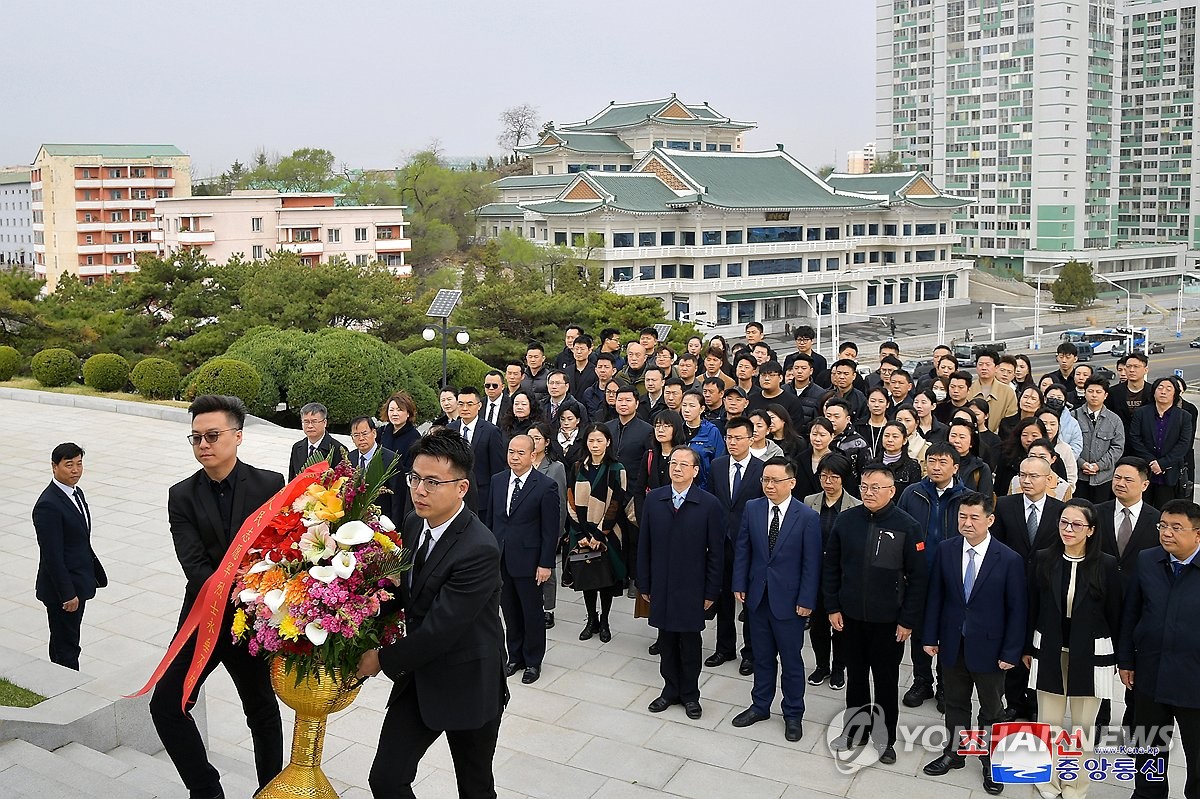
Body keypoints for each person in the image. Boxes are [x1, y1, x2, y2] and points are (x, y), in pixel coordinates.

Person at [356, 429, 506, 799]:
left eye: (432, 482)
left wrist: (379, 659)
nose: (419, 490)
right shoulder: (412, 522)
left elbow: (441, 630)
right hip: (420, 678)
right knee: (386, 779)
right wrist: (355, 620)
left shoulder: (479, 549)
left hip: (469, 681)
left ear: (461, 488)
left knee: (474, 786)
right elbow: (405, 594)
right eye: (415, 478)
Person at [151, 395, 284, 798]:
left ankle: (270, 790)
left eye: (212, 435)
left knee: (262, 711)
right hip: (202, 619)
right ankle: (207, 789)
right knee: (166, 705)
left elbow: (279, 550)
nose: (203, 445)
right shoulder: (182, 495)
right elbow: (194, 565)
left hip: (251, 622)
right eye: (195, 438)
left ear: (238, 436)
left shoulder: (270, 484)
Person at [921, 491, 1024, 797]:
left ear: (990, 520)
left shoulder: (1008, 559)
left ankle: (991, 760)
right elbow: (935, 596)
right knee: (954, 702)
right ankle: (955, 752)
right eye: (962, 517)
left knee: (992, 709)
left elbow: (1017, 611)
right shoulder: (946, 549)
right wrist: (930, 637)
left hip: (991, 649)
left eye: (974, 518)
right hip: (953, 642)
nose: (966, 523)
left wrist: (1011, 651)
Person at [824, 465, 928, 764]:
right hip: (850, 618)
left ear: (892, 490)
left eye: (876, 487)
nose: (869, 493)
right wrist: (832, 606)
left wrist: (907, 620)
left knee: (885, 681)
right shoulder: (847, 520)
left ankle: (885, 738)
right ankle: (855, 730)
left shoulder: (908, 526)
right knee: (856, 678)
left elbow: (919, 577)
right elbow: (831, 567)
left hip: (888, 623)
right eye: (865, 486)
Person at [1025, 499, 1121, 799]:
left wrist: (1119, 657)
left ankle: (1076, 785)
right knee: (1048, 721)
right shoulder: (1043, 558)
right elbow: (1031, 606)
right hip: (1050, 648)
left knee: (1082, 726)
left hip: (1091, 653)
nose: (1068, 529)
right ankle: (1047, 779)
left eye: (1076, 524)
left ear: (1091, 530)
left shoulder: (1106, 564)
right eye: (1064, 522)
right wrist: (1027, 646)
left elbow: (1116, 613)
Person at [732, 456, 822, 742]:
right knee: (762, 656)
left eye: (775, 481)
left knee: (792, 661)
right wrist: (739, 584)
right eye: (765, 480)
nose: (769, 486)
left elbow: (811, 564)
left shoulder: (806, 516)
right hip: (757, 597)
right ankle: (760, 705)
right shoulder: (753, 508)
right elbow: (743, 549)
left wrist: (807, 600)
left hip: (790, 602)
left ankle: (793, 713)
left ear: (791, 483)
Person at [1118, 499, 1200, 799]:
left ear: (1198, 534)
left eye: (1176, 527)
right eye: (1163, 525)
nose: (1166, 533)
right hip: (1150, 674)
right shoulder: (1147, 560)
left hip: (1194, 681)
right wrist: (1125, 660)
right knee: (1149, 747)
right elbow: (1131, 613)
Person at [639, 448, 724, 721]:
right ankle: (669, 690)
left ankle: (690, 695)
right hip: (661, 584)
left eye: (683, 465)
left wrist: (712, 590)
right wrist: (645, 583)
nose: (677, 468)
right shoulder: (654, 500)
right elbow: (645, 546)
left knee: (689, 643)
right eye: (673, 463)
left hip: (692, 586)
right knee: (665, 640)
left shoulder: (709, 504)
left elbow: (717, 553)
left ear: (695, 471)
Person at [989, 455, 1066, 721]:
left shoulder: (1059, 511)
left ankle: (1034, 702)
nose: (1027, 481)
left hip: (1045, 589)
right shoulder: (1006, 506)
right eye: (1023, 475)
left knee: (1038, 646)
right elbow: (995, 547)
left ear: (1049, 479)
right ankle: (1013, 701)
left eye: (1034, 476)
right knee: (1013, 642)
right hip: (1011, 586)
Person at [898, 443, 968, 711]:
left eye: (942, 462)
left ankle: (945, 686)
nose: (935, 467)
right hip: (919, 573)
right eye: (931, 461)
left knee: (948, 631)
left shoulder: (966, 497)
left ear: (955, 467)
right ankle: (921, 681)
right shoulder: (912, 493)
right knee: (918, 629)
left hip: (953, 575)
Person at [1093, 457, 1161, 734]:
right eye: (1117, 477)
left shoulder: (1157, 521)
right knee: (1099, 667)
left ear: (1144, 484)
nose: (1120, 483)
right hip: (1100, 602)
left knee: (1135, 668)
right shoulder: (1097, 513)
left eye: (1128, 479)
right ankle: (1099, 720)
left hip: (1140, 606)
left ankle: (1133, 722)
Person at [486, 435, 560, 685]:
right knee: (509, 610)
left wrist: (546, 563)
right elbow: (491, 521)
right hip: (501, 558)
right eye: (511, 452)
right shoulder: (498, 481)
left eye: (520, 453)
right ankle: (514, 655)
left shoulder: (545, 486)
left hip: (530, 560)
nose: (514, 457)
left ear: (532, 455)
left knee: (532, 613)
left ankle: (533, 661)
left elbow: (550, 531)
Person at [34, 442, 106, 670]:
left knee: (67, 639)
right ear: (54, 467)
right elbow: (52, 556)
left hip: (79, 580)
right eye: (69, 465)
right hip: (62, 591)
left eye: (79, 464)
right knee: (66, 646)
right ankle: (69, 688)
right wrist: (67, 594)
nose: (76, 470)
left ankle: (59, 680)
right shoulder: (48, 505)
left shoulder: (76, 493)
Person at [708, 417, 764, 675]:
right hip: (721, 542)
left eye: (738, 438)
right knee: (723, 598)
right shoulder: (718, 466)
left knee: (749, 600)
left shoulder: (762, 469)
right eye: (729, 437)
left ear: (751, 439)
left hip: (750, 545)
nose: (732, 442)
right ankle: (724, 647)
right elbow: (712, 502)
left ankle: (750, 652)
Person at [567, 424, 634, 643]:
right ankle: (591, 619)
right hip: (582, 531)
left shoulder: (616, 468)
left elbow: (617, 502)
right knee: (587, 576)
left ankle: (604, 620)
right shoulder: (578, 467)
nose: (595, 445)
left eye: (599, 440)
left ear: (608, 442)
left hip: (608, 532)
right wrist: (582, 533)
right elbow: (570, 499)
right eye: (591, 441)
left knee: (605, 577)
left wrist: (599, 534)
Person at [803, 453, 859, 691]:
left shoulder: (855, 506)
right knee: (817, 626)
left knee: (841, 626)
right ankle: (822, 665)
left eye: (834, 477)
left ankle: (839, 668)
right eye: (824, 476)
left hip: (842, 575)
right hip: (815, 573)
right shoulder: (809, 501)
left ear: (843, 479)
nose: (828, 481)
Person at [606, 386, 653, 591]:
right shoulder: (607, 427)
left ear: (636, 403)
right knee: (613, 535)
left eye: (627, 400)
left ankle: (636, 578)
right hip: (611, 490)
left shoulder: (646, 430)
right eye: (619, 400)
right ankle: (617, 576)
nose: (623, 404)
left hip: (635, 491)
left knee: (635, 537)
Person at [1129, 376, 1195, 510]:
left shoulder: (1184, 416)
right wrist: (1151, 462)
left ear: (1175, 394)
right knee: (1142, 510)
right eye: (1160, 388)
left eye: (1168, 389)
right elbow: (1135, 438)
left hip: (1169, 474)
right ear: (1153, 392)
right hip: (1144, 470)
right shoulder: (1141, 413)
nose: (1163, 391)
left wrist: (1163, 464)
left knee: (1165, 511)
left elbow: (1184, 444)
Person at [451, 387, 506, 522]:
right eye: (461, 404)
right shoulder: (450, 429)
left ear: (479, 405)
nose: (465, 408)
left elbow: (497, 468)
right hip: (454, 494)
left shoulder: (491, 431)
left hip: (482, 497)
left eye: (470, 404)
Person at [1072, 378, 1124, 504]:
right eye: (1090, 391)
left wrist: (1098, 465)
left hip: (1104, 478)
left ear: (1105, 395)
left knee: (1100, 513)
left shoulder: (1114, 420)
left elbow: (1117, 448)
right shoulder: (1073, 416)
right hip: (1079, 476)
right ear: (1085, 393)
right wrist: (1081, 463)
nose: (1094, 395)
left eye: (1098, 392)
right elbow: (1068, 445)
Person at [347, 415, 403, 520]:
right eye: (356, 435)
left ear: (374, 433)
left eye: (365, 433)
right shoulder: (350, 457)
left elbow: (398, 499)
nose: (361, 438)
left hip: (382, 520)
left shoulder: (391, 459)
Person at [289, 401, 345, 480]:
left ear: (325, 423)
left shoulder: (338, 449)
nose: (310, 426)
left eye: (314, 422)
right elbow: (292, 479)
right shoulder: (297, 447)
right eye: (306, 422)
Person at [967, 349, 1017, 434]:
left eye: (988, 365)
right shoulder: (968, 389)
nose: (984, 368)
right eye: (980, 364)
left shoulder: (1008, 392)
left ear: (996, 367)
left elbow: (1010, 422)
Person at [1105, 351, 1151, 428]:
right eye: (1128, 366)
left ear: (1145, 370)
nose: (1131, 370)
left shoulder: (1153, 392)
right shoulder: (1113, 392)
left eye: (1136, 366)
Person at [877, 421, 923, 496]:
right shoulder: (872, 464)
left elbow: (913, 495)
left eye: (895, 436)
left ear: (904, 440)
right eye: (886, 435)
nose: (890, 440)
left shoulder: (912, 467)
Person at [378, 392, 421, 469]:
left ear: (408, 413)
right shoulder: (382, 431)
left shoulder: (415, 437)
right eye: (391, 410)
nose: (395, 414)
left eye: (399, 410)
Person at [520, 341, 551, 406]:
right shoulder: (521, 375)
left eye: (536, 357)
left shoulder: (549, 376)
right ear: (526, 358)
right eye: (530, 357)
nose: (533, 360)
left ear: (543, 358)